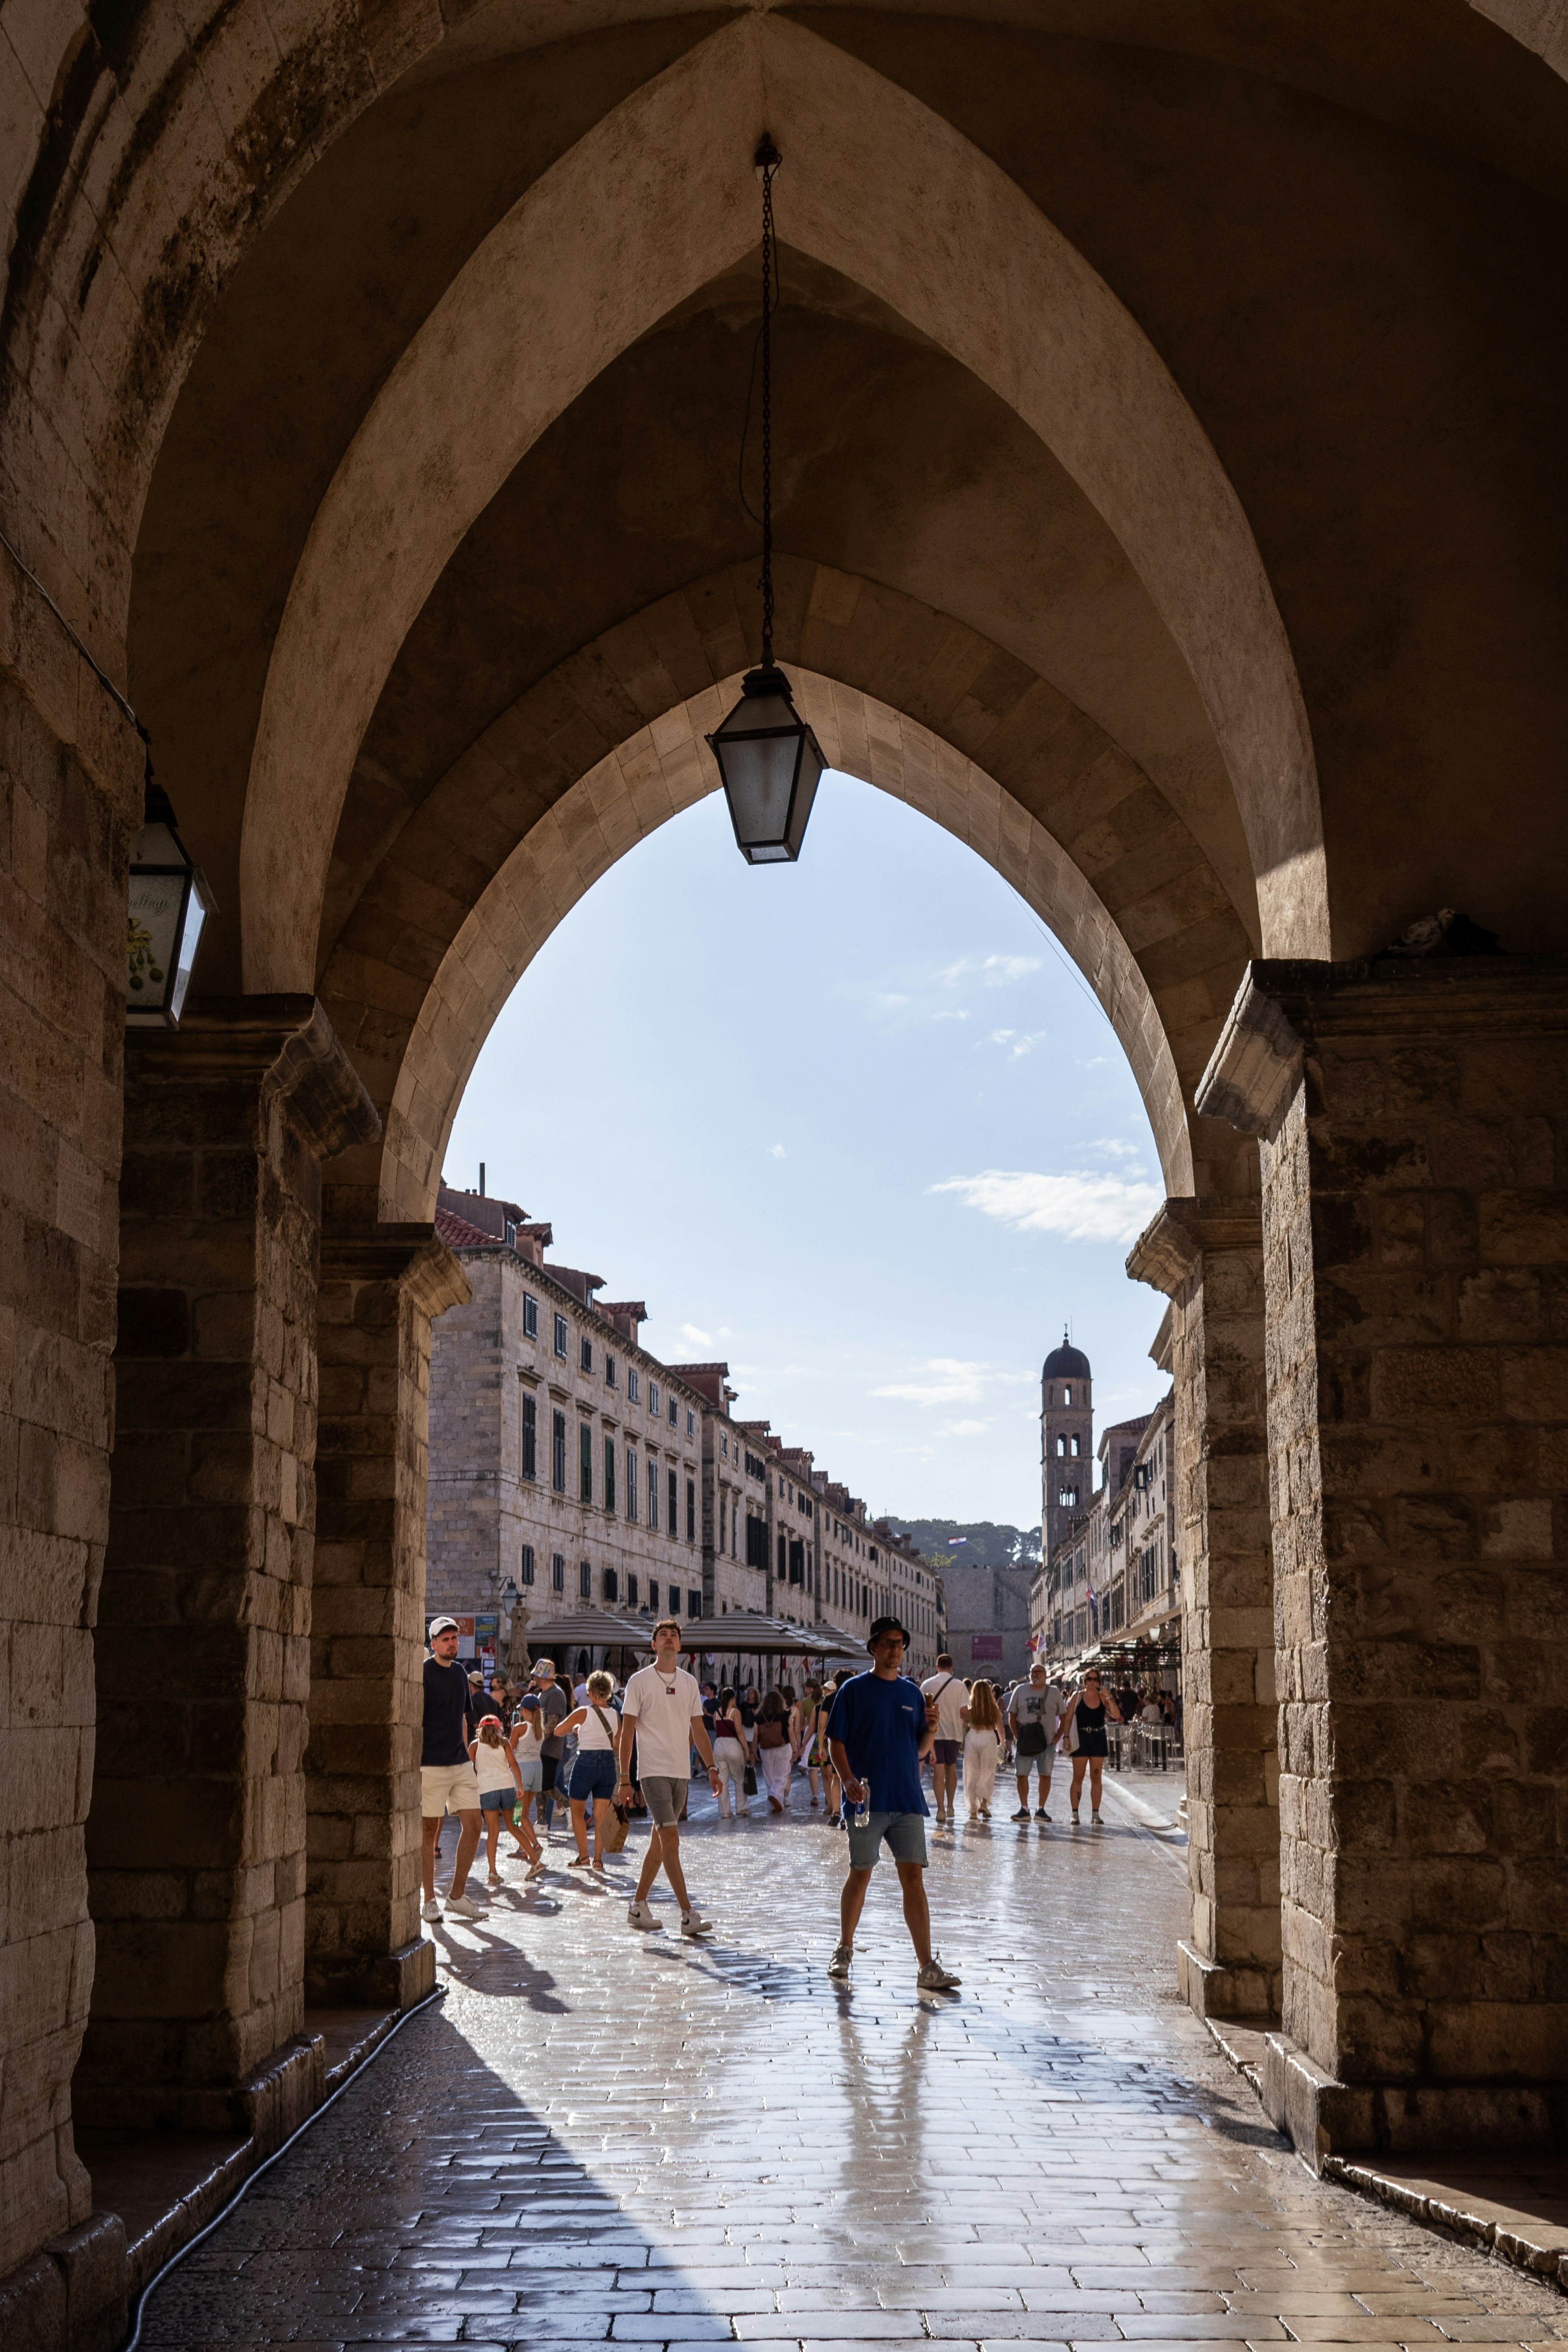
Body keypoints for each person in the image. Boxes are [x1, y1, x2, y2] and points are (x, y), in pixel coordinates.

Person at [825, 1616, 961, 1990]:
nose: (894, 1649)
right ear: (873, 1647)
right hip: (866, 1799)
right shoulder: (852, 1690)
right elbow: (833, 1741)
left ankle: (926, 1966)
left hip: (906, 1798)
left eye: (899, 1643)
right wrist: (847, 1778)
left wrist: (931, 1729)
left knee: (913, 1879)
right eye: (887, 1642)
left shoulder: (913, 1694)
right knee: (861, 1872)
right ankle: (844, 1949)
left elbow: (918, 1750)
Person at [618, 1619, 719, 1933]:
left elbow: (699, 1729)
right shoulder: (639, 1681)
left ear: (680, 1645)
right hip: (652, 1771)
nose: (669, 1639)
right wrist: (624, 1778)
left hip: (681, 1772)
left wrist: (712, 1767)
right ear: (654, 1645)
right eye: (663, 1635)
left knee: (660, 1843)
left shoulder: (689, 1683)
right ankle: (688, 1915)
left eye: (674, 1635)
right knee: (671, 1840)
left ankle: (638, 1906)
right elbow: (628, 1731)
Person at [421, 1616, 485, 1920]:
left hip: (460, 1762)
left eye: (455, 1639)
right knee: (429, 1832)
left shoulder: (461, 1673)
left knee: (475, 1825)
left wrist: (468, 1758)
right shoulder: (424, 1673)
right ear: (433, 1644)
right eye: (445, 1639)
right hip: (431, 1764)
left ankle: (457, 1895)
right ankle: (429, 1899)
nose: (451, 1643)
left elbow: (462, 1717)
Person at [553, 1670, 622, 1867]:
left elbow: (559, 1731)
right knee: (601, 1815)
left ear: (590, 1693)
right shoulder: (615, 1715)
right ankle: (598, 1860)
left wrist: (577, 1731)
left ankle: (583, 1856)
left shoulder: (583, 1712)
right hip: (608, 1765)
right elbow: (616, 1745)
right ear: (609, 1693)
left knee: (577, 1811)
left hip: (586, 1763)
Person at [470, 1714, 543, 1882]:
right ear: (498, 1728)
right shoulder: (504, 1743)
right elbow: (514, 1764)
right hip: (507, 1787)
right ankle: (536, 1862)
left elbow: (469, 1770)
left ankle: (493, 1873)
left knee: (493, 1832)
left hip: (487, 1790)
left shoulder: (474, 1746)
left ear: (480, 1729)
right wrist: (521, 1787)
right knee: (513, 1827)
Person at [1060, 1668, 1123, 1824]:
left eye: (1096, 1679)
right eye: (1090, 1679)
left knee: (1096, 1777)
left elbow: (1116, 1716)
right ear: (1085, 1681)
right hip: (1081, 1738)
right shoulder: (1077, 1696)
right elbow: (1068, 1719)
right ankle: (1075, 1813)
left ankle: (1096, 1814)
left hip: (1098, 1737)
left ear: (1099, 1682)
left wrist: (1108, 1696)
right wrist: (1066, 1737)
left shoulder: (1103, 1698)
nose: (1093, 1682)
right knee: (1078, 1776)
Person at [1009, 1661, 1066, 1824]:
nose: (1035, 1675)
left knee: (1045, 1775)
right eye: (1033, 1672)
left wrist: (1057, 1738)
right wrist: (1016, 1735)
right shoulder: (1020, 1690)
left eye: (1039, 1672)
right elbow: (1012, 1716)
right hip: (1025, 1740)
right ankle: (1024, 1809)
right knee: (1021, 1775)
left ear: (1046, 1675)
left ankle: (1041, 1809)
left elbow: (1064, 1717)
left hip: (1047, 1742)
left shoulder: (1054, 1693)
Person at [921, 1654, 969, 1824]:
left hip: (933, 1734)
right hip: (954, 1733)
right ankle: (950, 1807)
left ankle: (940, 1810)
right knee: (951, 1769)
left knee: (938, 1771)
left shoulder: (927, 1684)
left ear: (937, 1667)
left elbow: (922, 1711)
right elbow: (964, 1713)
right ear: (952, 1667)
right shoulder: (960, 1686)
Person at [530, 1659, 572, 1833]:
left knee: (546, 1786)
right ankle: (542, 1824)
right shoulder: (544, 1694)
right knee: (539, 1786)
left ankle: (570, 1806)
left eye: (537, 1675)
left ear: (543, 1676)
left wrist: (537, 1741)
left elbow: (552, 1723)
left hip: (550, 1749)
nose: (534, 1678)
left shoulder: (555, 1694)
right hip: (543, 1749)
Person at [961, 1680, 1004, 1820]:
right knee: (988, 1772)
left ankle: (973, 1811)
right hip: (989, 1737)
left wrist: (961, 1740)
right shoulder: (994, 1708)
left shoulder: (970, 1707)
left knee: (971, 1774)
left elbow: (963, 1725)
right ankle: (984, 1804)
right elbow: (1000, 1728)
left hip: (972, 1737)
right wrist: (1002, 1743)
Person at [710, 1684, 750, 1818]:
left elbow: (717, 1730)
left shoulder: (717, 1713)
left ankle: (725, 1811)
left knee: (722, 1780)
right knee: (739, 1778)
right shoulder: (735, 1713)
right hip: (733, 1745)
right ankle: (742, 1808)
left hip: (719, 1746)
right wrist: (746, 1749)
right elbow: (739, 1731)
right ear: (733, 1698)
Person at [755, 1689, 793, 1813]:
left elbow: (756, 1735)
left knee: (769, 1778)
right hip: (782, 1747)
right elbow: (791, 1733)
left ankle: (775, 1806)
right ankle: (774, 1795)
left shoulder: (759, 1716)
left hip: (765, 1749)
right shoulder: (786, 1714)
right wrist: (796, 1750)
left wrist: (752, 1752)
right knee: (782, 1776)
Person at [800, 1681, 827, 1808]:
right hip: (827, 1736)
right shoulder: (827, 1700)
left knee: (813, 1769)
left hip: (812, 1736)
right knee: (827, 1768)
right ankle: (829, 1795)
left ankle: (815, 1795)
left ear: (810, 1689)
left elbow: (803, 1724)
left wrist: (803, 1744)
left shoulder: (804, 1702)